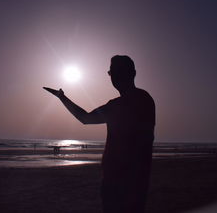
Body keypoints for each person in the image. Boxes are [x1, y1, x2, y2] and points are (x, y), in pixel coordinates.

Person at [44, 55, 155, 213]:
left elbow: (85, 118)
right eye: (111, 72)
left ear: (132, 73)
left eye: (116, 71)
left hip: (120, 183)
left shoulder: (120, 105)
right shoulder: (145, 99)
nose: (114, 77)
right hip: (136, 182)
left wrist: (62, 98)